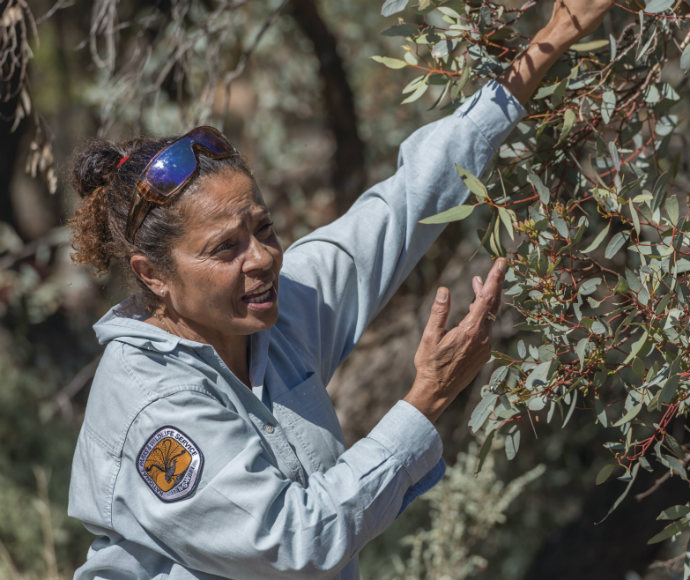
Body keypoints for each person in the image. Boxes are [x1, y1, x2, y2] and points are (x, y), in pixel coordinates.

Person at [67, 2, 614, 578]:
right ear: (153, 275)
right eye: (225, 249)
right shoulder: (154, 406)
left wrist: (550, 40)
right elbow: (296, 543)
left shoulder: (272, 315)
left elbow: (408, 200)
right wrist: (428, 398)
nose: (262, 259)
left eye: (264, 229)